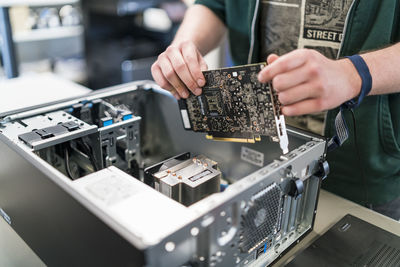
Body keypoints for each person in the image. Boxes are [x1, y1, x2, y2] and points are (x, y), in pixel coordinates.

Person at [151, 0, 400, 220]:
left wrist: (355, 74)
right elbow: (217, 4)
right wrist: (184, 47)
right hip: (250, 159)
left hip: (361, 173)